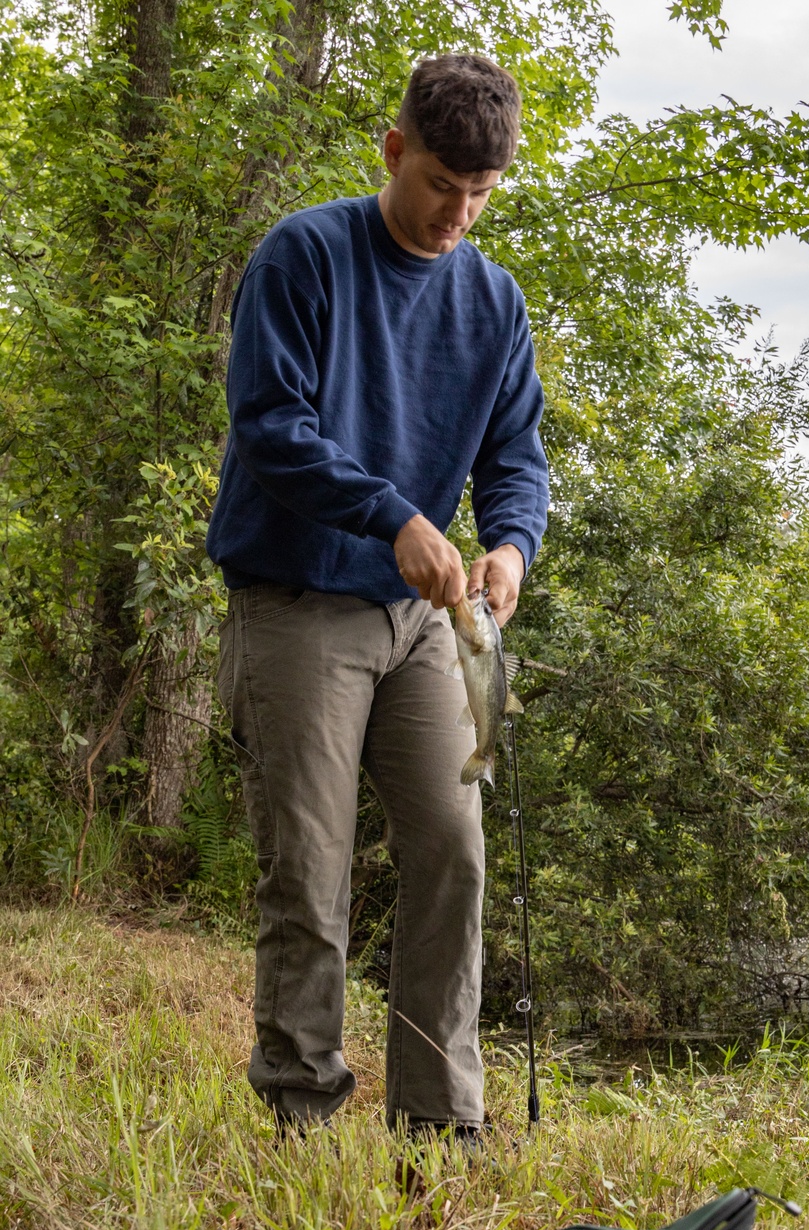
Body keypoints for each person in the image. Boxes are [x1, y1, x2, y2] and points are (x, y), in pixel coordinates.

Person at [207, 53, 549, 1140]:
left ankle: (439, 1125)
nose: (459, 213)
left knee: (453, 850)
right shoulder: (305, 254)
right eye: (443, 183)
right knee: (309, 872)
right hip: (300, 599)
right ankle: (301, 1116)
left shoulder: (492, 300)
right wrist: (393, 514)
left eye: (481, 194)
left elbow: (516, 454)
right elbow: (271, 427)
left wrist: (509, 546)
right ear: (395, 150)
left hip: (428, 625)